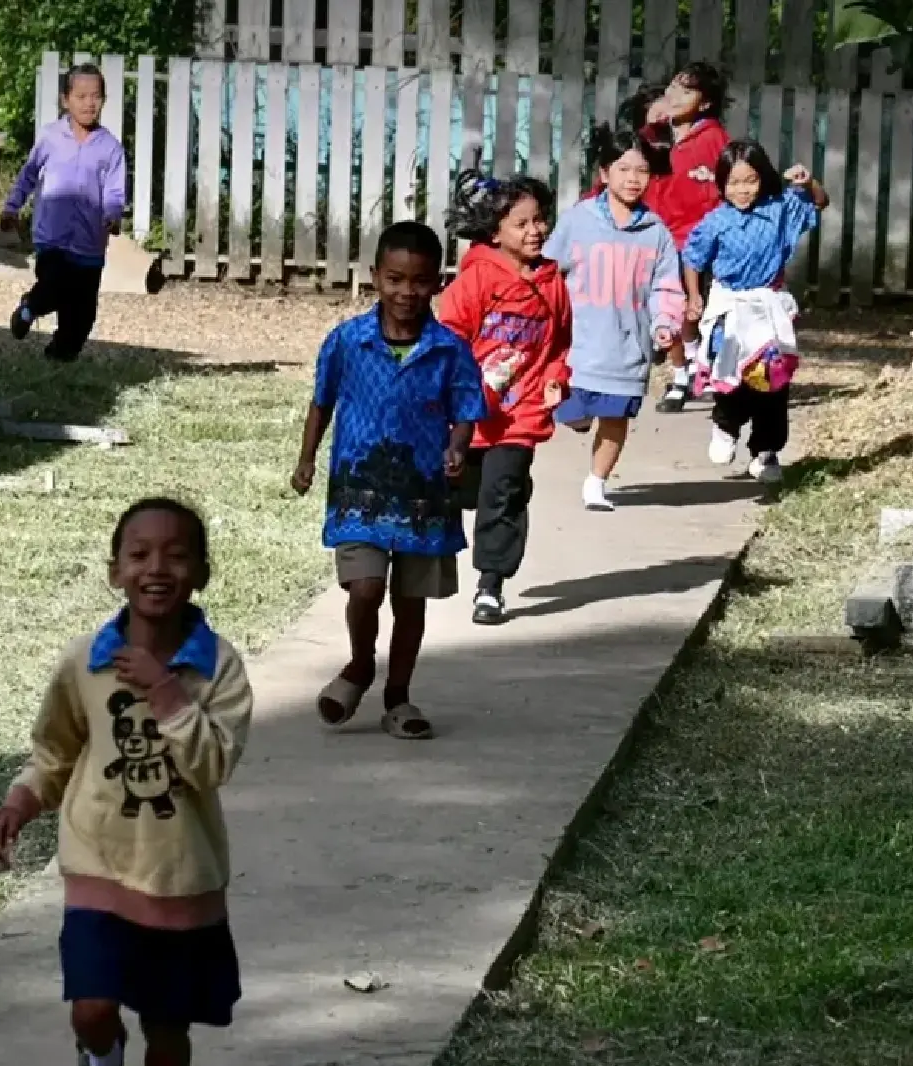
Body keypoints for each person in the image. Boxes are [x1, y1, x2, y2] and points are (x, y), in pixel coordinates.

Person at [0, 498, 254, 1066]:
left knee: (167, 1028)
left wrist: (165, 689)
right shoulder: (87, 661)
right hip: (97, 863)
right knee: (92, 1005)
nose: (156, 568)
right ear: (115, 571)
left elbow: (213, 765)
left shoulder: (220, 669)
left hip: (181, 876)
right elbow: (55, 747)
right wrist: (23, 798)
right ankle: (101, 1062)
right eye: (139, 554)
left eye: (176, 555)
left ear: (202, 574)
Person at [290, 222, 488, 739]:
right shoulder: (346, 342)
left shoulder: (449, 349)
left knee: (409, 601)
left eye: (420, 281)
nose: (407, 292)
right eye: (395, 279)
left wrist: (457, 447)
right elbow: (321, 402)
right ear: (376, 276)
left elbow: (466, 409)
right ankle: (360, 665)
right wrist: (306, 458)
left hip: (423, 492)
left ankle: (398, 697)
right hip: (361, 488)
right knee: (365, 586)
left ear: (437, 282)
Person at [438, 171, 572, 626]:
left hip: (523, 413)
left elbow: (559, 344)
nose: (535, 230)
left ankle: (490, 586)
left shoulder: (553, 283)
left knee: (502, 493)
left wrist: (557, 378)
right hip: (471, 414)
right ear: (495, 232)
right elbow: (450, 339)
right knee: (464, 489)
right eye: (522, 223)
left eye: (540, 220)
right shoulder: (476, 281)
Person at [544, 125, 685, 512]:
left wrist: (664, 323)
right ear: (604, 173)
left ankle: (596, 482)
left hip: (628, 348)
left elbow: (666, 285)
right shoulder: (579, 219)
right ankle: (578, 420)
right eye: (623, 169)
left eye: (641, 171)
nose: (633, 179)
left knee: (616, 417)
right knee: (571, 412)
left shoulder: (656, 232)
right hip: (579, 346)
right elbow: (550, 272)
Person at [681, 140, 830, 484]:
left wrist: (808, 183)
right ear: (721, 184)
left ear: (763, 178)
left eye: (750, 180)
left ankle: (766, 451)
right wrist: (693, 296)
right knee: (731, 376)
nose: (742, 190)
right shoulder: (715, 221)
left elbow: (820, 203)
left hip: (767, 306)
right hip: (729, 307)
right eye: (733, 182)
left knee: (771, 378)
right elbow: (693, 259)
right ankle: (725, 423)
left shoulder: (780, 209)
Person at [2, 63, 128, 363]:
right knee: (54, 287)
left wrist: (112, 214)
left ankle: (58, 360)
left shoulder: (110, 148)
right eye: (81, 96)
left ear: (104, 100)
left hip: (89, 243)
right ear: (65, 100)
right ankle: (29, 308)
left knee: (82, 315)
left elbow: (114, 190)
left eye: (95, 96)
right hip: (53, 237)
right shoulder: (50, 137)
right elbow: (28, 175)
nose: (89, 103)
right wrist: (12, 206)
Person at [646, 61, 733, 413]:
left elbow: (730, 188)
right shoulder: (654, 134)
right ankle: (684, 371)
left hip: (695, 241)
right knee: (664, 311)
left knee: (688, 310)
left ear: (706, 102)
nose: (675, 96)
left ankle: (694, 373)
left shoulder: (714, 141)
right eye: (672, 87)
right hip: (655, 236)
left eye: (687, 90)